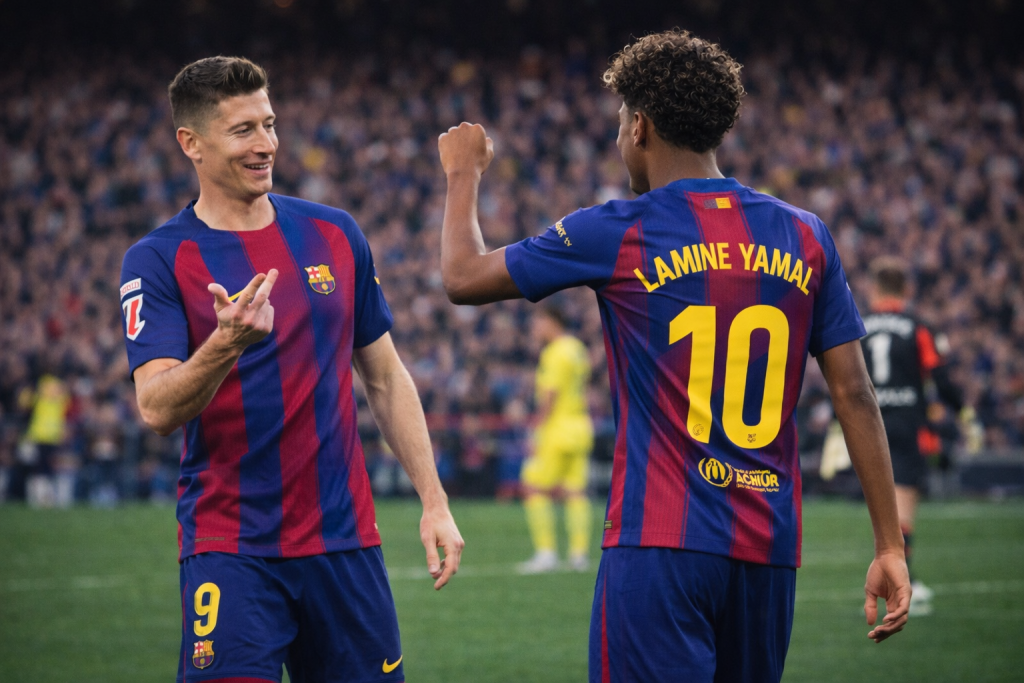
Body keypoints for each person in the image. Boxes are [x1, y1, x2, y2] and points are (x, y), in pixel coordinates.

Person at [437, 29, 910, 682]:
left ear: (640, 127)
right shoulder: (805, 234)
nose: (617, 138)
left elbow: (463, 276)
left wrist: (463, 172)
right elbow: (855, 394)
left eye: (619, 123)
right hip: (767, 552)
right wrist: (889, 544)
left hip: (658, 542)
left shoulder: (618, 228)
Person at [120, 56, 463, 683]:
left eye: (269, 124)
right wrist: (225, 344)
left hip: (345, 543)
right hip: (232, 547)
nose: (266, 144)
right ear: (191, 144)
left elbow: (385, 377)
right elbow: (156, 408)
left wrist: (434, 501)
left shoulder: (335, 233)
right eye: (243, 130)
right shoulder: (158, 259)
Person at [861, 256, 966, 615]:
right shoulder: (918, 326)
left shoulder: (860, 324)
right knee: (903, 503)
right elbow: (940, 376)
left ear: (875, 288)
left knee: (881, 505)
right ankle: (906, 581)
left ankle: (897, 578)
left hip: (869, 422)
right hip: (907, 423)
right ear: (905, 289)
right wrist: (962, 411)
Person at [518, 306, 594, 574]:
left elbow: (550, 396)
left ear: (552, 321)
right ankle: (579, 555)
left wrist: (536, 430)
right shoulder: (577, 348)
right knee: (575, 492)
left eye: (538, 322)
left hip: (557, 428)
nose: (535, 329)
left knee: (533, 488)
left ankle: (546, 553)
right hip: (580, 426)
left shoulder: (554, 352)